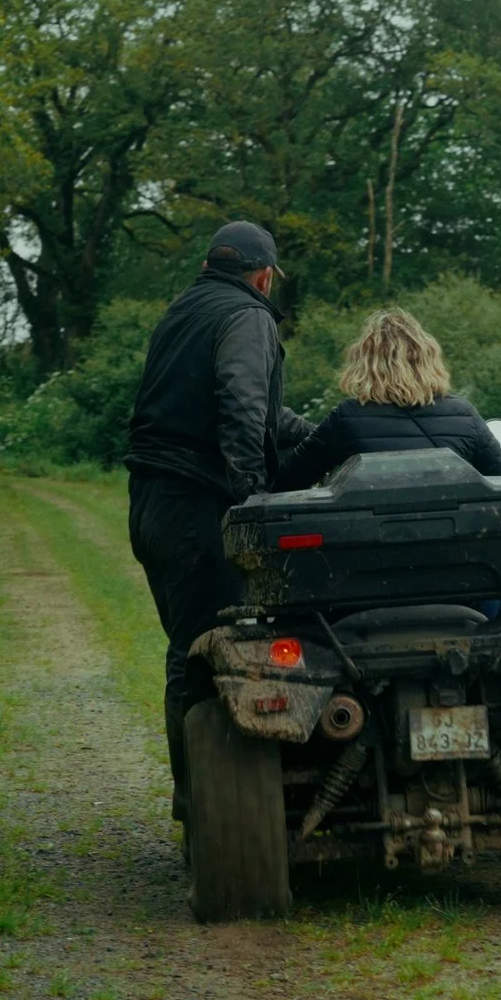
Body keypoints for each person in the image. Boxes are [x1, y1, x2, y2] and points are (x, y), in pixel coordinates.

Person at [124, 221, 314, 819]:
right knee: (209, 651)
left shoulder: (182, 311)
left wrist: (327, 436)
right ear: (263, 276)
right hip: (195, 504)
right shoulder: (249, 316)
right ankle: (208, 810)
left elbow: (263, 416)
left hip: (153, 501)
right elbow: (242, 409)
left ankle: (201, 800)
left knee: (188, 649)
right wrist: (253, 504)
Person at [270, 309, 501, 492]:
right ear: (429, 359)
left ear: (364, 363)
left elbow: (286, 481)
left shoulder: (347, 419)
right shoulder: (464, 415)